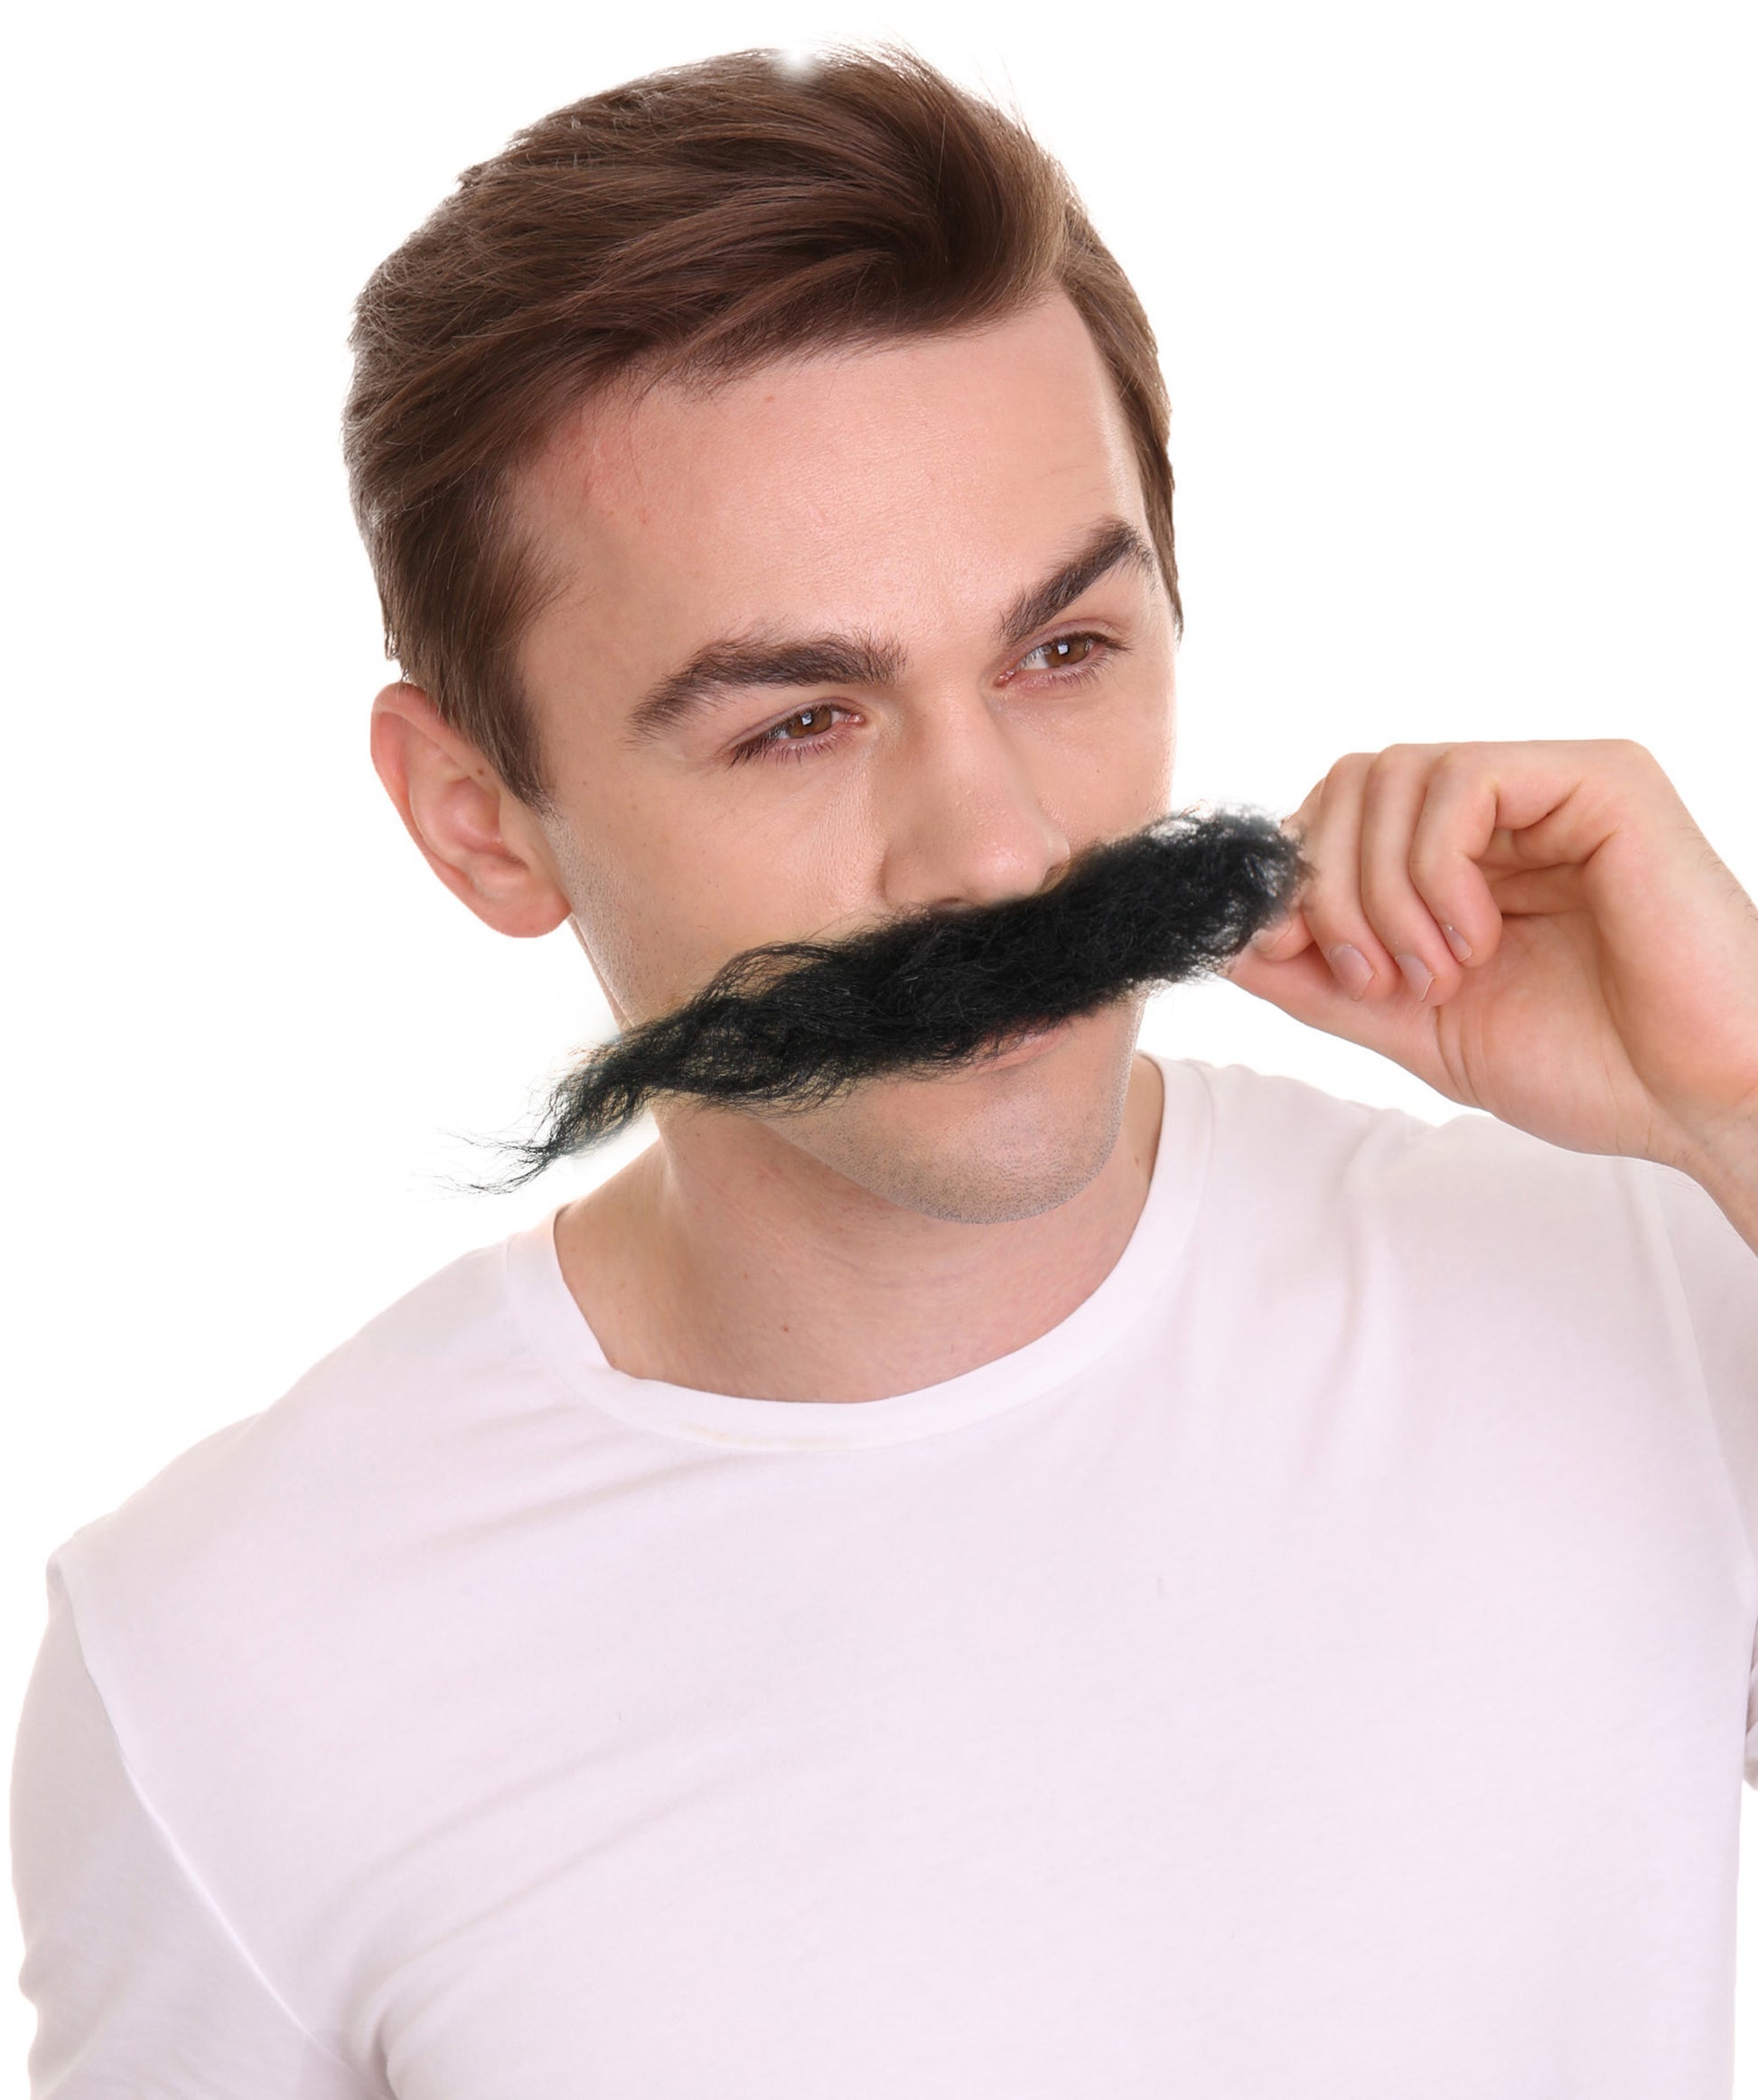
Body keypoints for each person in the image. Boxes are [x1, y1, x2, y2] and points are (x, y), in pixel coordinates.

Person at [11, 39, 1758, 2100]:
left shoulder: (1658, 1282)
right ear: (478, 818)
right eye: (797, 722)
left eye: (1061, 651)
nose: (999, 850)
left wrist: (1741, 1100)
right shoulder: (225, 1661)